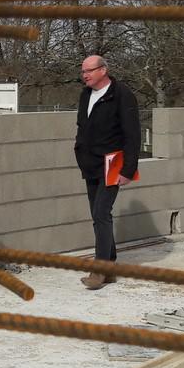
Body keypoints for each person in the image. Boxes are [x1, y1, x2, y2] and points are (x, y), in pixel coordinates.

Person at [73, 55, 141, 290]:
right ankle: (109, 268)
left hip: (112, 164)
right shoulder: (85, 95)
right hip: (90, 163)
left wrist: (129, 169)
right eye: (83, 71)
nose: (85, 75)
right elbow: (83, 127)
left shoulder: (122, 95)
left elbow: (133, 134)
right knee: (97, 214)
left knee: (102, 212)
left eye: (89, 71)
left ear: (103, 70)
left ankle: (100, 269)